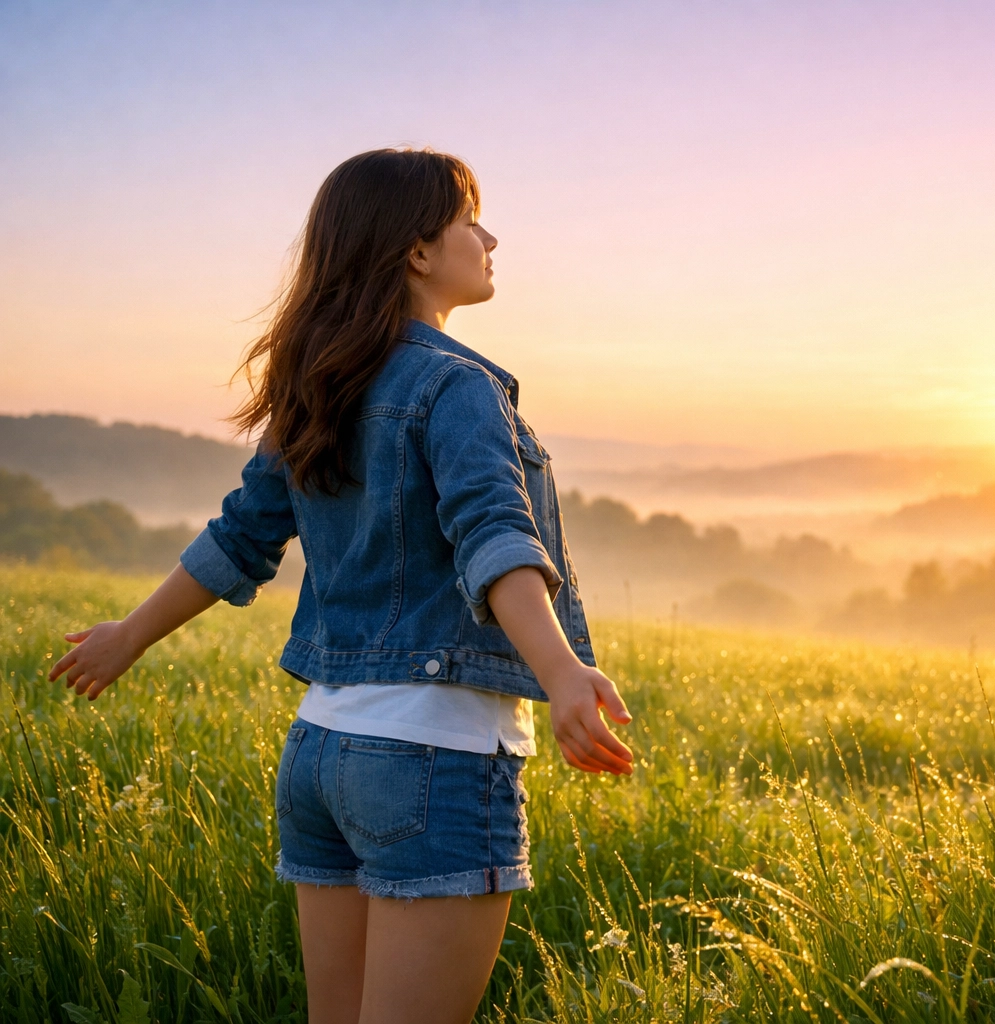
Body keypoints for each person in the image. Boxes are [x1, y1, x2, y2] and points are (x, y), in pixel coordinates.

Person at [47, 148, 633, 1024]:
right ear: (417, 251)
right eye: (470, 218)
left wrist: (128, 634)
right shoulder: (457, 385)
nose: (491, 235)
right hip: (434, 761)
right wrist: (560, 675)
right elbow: (496, 537)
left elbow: (241, 537)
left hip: (320, 757)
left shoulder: (321, 384)